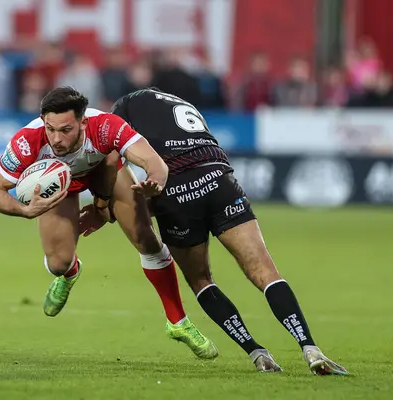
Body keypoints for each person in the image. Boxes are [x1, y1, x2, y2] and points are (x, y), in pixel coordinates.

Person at [80, 88, 349, 375]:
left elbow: (110, 158)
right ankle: (310, 348)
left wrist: (103, 205)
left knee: (201, 280)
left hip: (176, 192)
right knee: (266, 272)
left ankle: (257, 354)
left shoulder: (125, 106)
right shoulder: (182, 103)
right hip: (219, 180)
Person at [0, 86, 217, 359]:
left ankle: (178, 322)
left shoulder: (106, 126)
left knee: (147, 239)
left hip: (104, 171)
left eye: (66, 130)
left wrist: (153, 181)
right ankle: (70, 273)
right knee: (58, 263)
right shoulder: (27, 141)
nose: (56, 138)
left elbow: (155, 163)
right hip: (60, 185)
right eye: (51, 129)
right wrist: (25, 210)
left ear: (83, 122)